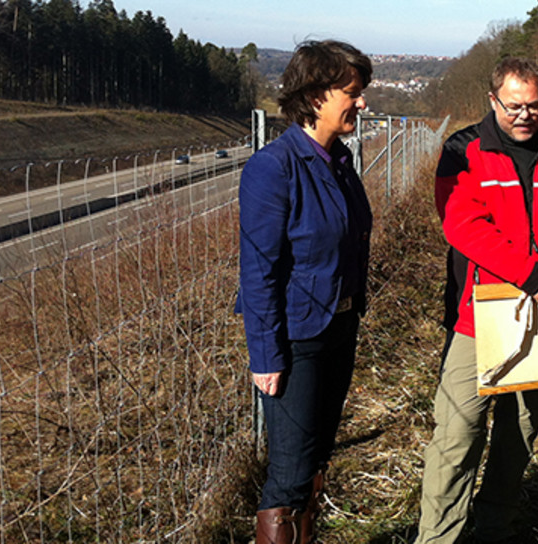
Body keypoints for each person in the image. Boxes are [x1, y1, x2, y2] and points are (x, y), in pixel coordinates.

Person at [416, 57, 538, 543]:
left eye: (535, 105)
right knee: (457, 437)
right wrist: (529, 273)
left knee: (517, 435)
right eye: (514, 105)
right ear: (493, 99)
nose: (525, 115)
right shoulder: (463, 150)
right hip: (475, 318)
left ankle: (493, 528)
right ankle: (439, 537)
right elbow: (462, 225)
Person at [236, 40, 372, 544]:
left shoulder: (339, 160)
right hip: (296, 340)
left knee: (316, 457)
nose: (362, 104)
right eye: (353, 93)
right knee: (290, 472)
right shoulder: (274, 167)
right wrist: (266, 354)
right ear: (316, 95)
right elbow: (259, 270)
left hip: (338, 327)